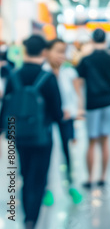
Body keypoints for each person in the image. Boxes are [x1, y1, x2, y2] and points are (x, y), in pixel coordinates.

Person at [0, 35, 64, 229]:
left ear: (24, 51)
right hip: (42, 136)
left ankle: (26, 215)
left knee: (25, 175)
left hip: (18, 135)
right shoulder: (48, 78)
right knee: (39, 178)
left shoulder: (13, 75)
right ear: (44, 52)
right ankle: (32, 220)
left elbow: (6, 107)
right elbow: (57, 112)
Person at [75, 29, 110, 189]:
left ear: (92, 40)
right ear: (105, 39)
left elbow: (78, 83)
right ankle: (103, 177)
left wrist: (79, 104)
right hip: (107, 102)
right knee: (105, 141)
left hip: (92, 104)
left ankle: (89, 178)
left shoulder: (86, 60)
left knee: (91, 142)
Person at [42, 39, 83, 206]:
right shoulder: (43, 73)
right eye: (58, 51)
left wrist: (74, 112)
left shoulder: (69, 72)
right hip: (48, 121)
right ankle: (48, 188)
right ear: (47, 52)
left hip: (66, 120)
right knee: (49, 156)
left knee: (68, 154)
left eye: (63, 52)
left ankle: (71, 186)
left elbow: (76, 96)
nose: (61, 56)